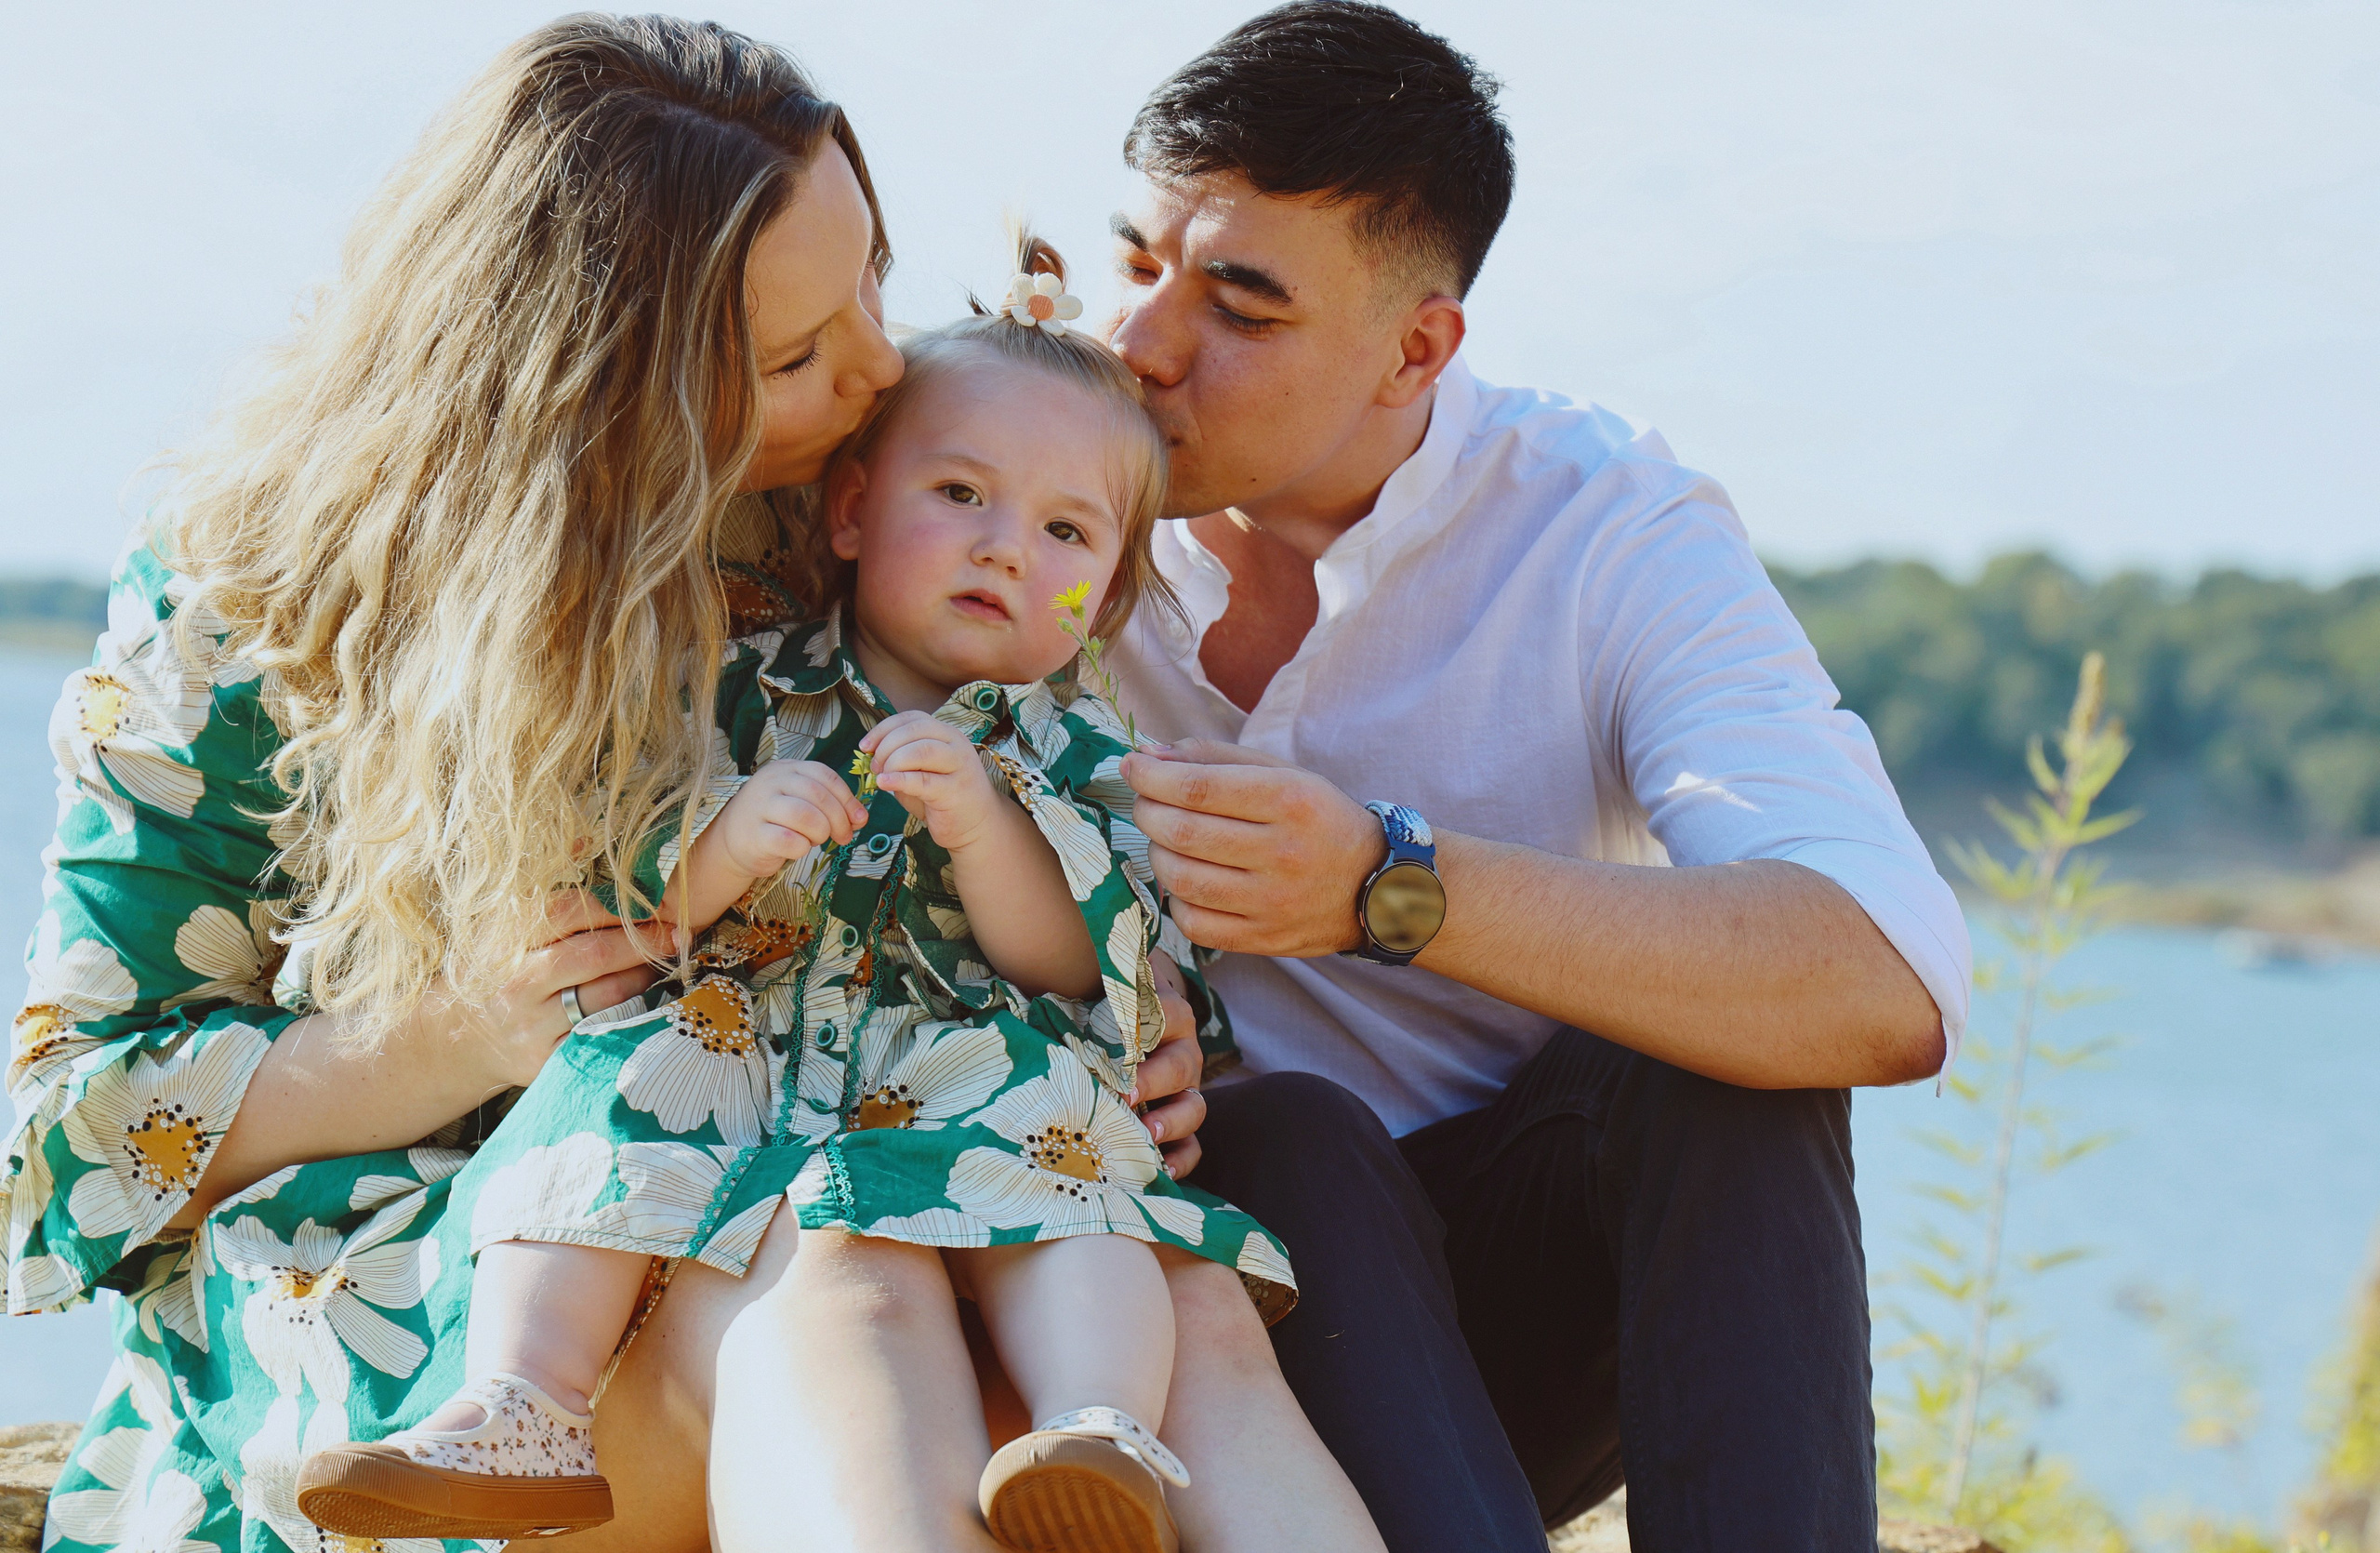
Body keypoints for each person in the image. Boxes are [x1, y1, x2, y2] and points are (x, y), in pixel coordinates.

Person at [1, 20, 1324, 1553]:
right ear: (600, 395)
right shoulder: (255, 610)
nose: (877, 366)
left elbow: (1036, 767)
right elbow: (66, 1138)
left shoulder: (859, 500)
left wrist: (1118, 1003)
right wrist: (469, 1026)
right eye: (796, 355)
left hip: (833, 1140)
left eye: (873, 281)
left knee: (1175, 1295)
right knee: (841, 1269)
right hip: (458, 1270)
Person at [289, 247, 1381, 1553]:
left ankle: (1096, 1423)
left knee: (1078, 1187)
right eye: (960, 494)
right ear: (854, 510)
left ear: (1105, 596)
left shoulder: (1082, 753)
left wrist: (987, 827)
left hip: (966, 1066)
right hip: (734, 1050)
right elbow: (631, 893)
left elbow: (1085, 963)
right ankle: (524, 1400)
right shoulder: (736, 684)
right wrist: (724, 847)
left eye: (1066, 533)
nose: (1005, 548)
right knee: (600, 1096)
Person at [1094, 6, 1975, 1551]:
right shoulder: (1005, 487)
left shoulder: (1604, 524)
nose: (1142, 345)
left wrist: (1386, 884)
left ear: (1416, 349)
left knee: (1721, 1070)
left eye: (1240, 303)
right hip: (1152, 1329)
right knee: (1284, 1125)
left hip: (1509, 1313)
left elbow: (1886, 974)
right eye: (1134, 260)